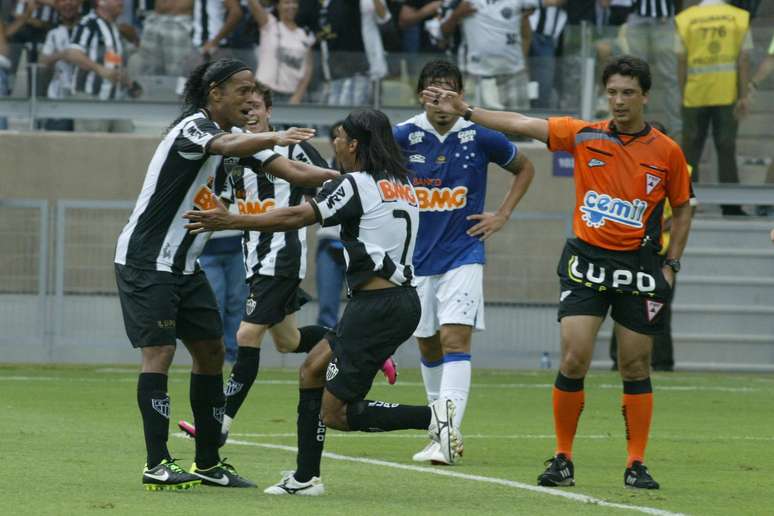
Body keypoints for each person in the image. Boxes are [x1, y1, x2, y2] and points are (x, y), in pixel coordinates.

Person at [421, 54, 692, 489]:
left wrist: (672, 263)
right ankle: (563, 457)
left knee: (636, 365)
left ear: (644, 96)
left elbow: (682, 208)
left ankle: (636, 462)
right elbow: (521, 123)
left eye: (627, 93)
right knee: (573, 356)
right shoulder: (584, 135)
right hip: (586, 261)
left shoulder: (667, 151)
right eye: (612, 93)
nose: (619, 102)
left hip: (639, 267)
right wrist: (468, 111)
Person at [184, 108, 464, 496]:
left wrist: (230, 221)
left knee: (336, 413)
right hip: (395, 301)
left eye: (338, 137)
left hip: (377, 307)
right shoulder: (402, 184)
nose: (334, 144)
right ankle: (305, 478)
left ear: (353, 144)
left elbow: (296, 216)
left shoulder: (355, 184)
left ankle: (431, 418)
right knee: (312, 369)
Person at [114, 57, 315, 490]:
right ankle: (157, 462)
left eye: (254, 90)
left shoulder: (243, 139)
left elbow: (293, 171)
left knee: (210, 352)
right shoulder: (193, 127)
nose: (250, 98)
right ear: (215, 93)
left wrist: (352, 181)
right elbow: (224, 148)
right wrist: (274, 135)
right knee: (160, 354)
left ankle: (207, 462)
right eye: (242, 90)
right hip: (147, 260)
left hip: (186, 266)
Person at [176, 81, 351, 446]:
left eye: (256, 106)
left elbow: (331, 188)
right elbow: (219, 196)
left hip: (282, 255)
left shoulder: (295, 149)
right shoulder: (232, 153)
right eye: (245, 107)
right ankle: (355, 343)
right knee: (289, 341)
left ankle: (221, 421)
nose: (250, 112)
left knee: (245, 335)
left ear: (269, 111)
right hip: (254, 256)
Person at [394, 59, 535, 464]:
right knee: (428, 343)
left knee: (456, 340)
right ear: (421, 94)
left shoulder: (479, 135)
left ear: (461, 94)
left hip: (464, 253)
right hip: (415, 260)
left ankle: (448, 434)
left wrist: (502, 215)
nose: (441, 98)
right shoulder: (402, 136)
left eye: (449, 89)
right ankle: (439, 430)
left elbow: (525, 168)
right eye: (433, 90)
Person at [609, 121, 698, 372]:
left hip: (659, 253)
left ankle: (662, 363)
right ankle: (619, 360)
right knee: (622, 307)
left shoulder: (681, 167)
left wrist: (656, 227)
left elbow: (689, 208)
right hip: (628, 251)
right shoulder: (628, 165)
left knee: (658, 309)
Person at [676, 0, 752, 217]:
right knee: (726, 147)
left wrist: (682, 93)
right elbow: (744, 59)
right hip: (726, 92)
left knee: (690, 150)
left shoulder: (685, 19)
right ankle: (731, 206)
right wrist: (743, 95)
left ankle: (686, 204)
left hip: (694, 93)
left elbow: (681, 60)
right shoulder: (739, 17)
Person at [441, 0, 537, 110]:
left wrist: (522, 61)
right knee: (472, 121)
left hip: (513, 73)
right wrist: (457, 14)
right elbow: (442, 33)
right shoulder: (461, 2)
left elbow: (526, 33)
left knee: (519, 121)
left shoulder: (522, 3)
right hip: (474, 73)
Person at [64, 0, 134, 132]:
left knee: (124, 145)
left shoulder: (114, 27)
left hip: (115, 98)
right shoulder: (89, 23)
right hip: (91, 98)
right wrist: (100, 70)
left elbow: (113, 60)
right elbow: (72, 53)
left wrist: (127, 80)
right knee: (91, 148)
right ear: (101, 2)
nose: (122, 2)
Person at [247, 0, 314, 104]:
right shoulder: (269, 24)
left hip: (291, 95)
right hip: (264, 92)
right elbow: (253, 3)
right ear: (278, 5)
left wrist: (297, 97)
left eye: (294, 2)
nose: (291, 6)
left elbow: (308, 70)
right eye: (286, 2)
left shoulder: (303, 35)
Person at [315, 121, 347, 330]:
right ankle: (324, 357)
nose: (339, 141)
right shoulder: (320, 169)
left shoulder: (367, 171)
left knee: (365, 304)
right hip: (329, 242)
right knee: (327, 305)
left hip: (359, 244)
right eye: (335, 137)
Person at [38, 0, 81, 131]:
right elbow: (42, 62)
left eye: (72, 1)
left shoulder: (88, 29)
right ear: (57, 6)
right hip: (58, 98)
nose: (68, 4)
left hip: (84, 98)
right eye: (62, 1)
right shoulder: (53, 33)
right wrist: (62, 55)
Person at [135, 0, 195, 79]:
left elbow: (176, 6)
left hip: (179, 24)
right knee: (147, 75)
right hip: (155, 21)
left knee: (178, 77)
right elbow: (161, 6)